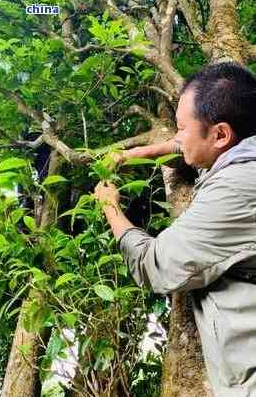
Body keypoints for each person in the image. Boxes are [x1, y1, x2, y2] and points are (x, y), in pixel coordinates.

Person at [94, 62, 256, 397]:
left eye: (182, 127)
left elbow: (155, 264)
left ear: (222, 134)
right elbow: (189, 146)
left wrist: (109, 205)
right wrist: (134, 153)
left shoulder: (236, 189)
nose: (177, 137)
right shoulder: (245, 150)